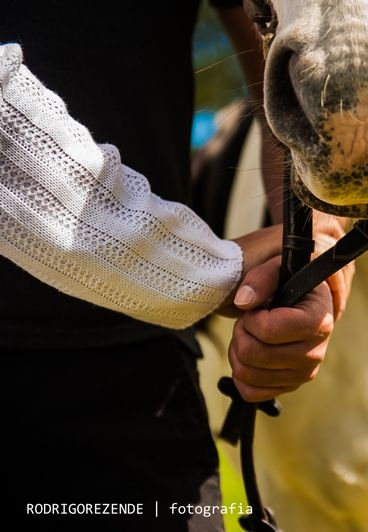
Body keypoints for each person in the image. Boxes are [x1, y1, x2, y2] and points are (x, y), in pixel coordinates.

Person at [0, 2, 348, 531]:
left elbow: (282, 48)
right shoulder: (196, 272)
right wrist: (196, 268)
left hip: (141, 385)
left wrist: (312, 254)